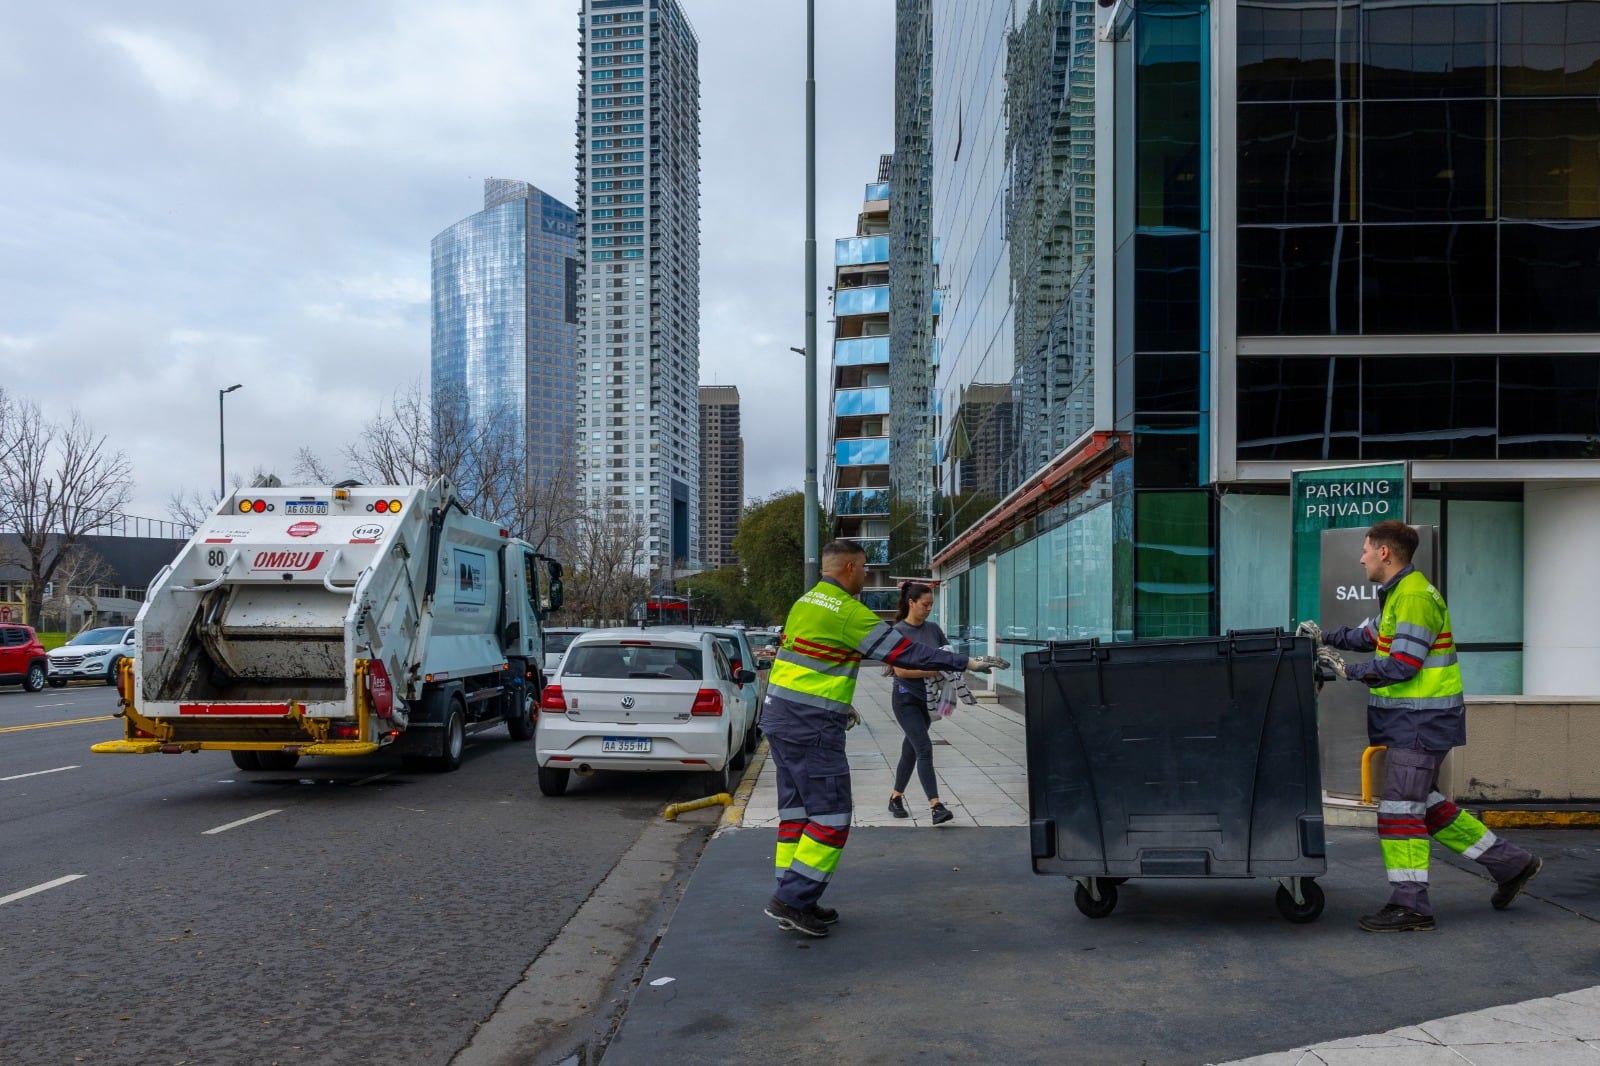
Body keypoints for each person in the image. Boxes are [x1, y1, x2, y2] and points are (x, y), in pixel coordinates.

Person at [1302, 519, 1541, 933]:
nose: (1360, 558)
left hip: (1419, 720)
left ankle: (1411, 905)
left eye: (1365, 550)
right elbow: (1371, 636)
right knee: (1426, 805)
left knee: (1399, 810)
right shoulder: (1401, 593)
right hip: (1415, 720)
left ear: (1384, 552)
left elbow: (1402, 665)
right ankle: (1512, 864)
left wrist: (1347, 671)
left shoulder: (1413, 597)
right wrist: (1327, 636)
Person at [760, 539, 1006, 938]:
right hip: (811, 728)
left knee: (797, 814)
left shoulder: (805, 602)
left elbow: (810, 662)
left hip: (781, 720)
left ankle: (794, 897)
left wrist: (837, 705)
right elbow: (905, 653)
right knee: (831, 816)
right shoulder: (847, 611)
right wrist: (966, 662)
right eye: (864, 568)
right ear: (851, 568)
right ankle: (790, 900)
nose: (865, 575)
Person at [885, 581, 955, 825]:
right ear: (911, 603)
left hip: (928, 699)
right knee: (924, 748)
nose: (929, 609)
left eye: (931, 604)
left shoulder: (934, 629)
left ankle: (895, 797)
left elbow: (947, 655)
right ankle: (936, 805)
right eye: (925, 604)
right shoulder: (898, 632)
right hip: (905, 699)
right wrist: (935, 669)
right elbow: (901, 671)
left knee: (911, 750)